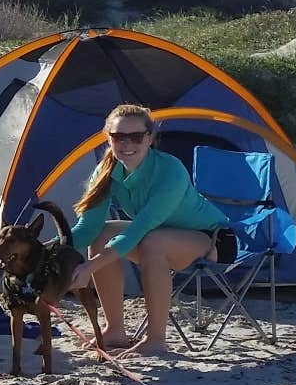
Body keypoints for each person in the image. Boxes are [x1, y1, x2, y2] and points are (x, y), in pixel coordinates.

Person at [69, 103, 222, 356]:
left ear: (149, 138)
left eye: (136, 136)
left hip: (211, 239)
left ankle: (156, 340)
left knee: (153, 241)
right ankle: (115, 330)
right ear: (109, 138)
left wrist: (88, 267)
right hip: (157, 235)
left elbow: (139, 230)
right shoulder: (107, 170)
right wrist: (41, 250)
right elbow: (86, 228)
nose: (127, 144)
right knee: (102, 232)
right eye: (118, 137)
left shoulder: (169, 169)